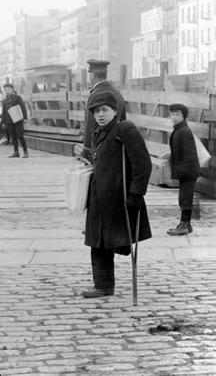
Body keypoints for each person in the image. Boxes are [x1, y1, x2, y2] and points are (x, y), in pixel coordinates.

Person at [82, 90, 152, 298]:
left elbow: (143, 164)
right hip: (99, 198)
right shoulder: (99, 132)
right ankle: (103, 285)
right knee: (97, 242)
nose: (100, 115)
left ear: (115, 111)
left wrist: (135, 194)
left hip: (118, 198)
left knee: (109, 240)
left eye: (104, 110)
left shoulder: (125, 129)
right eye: (96, 111)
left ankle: (104, 284)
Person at [80, 59, 127, 162]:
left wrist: (86, 151)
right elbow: (124, 124)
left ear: (92, 75)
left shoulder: (94, 96)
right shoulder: (118, 94)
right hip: (117, 149)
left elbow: (90, 126)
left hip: (100, 151)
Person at [167, 103, 200, 236]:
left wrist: (182, 172)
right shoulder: (179, 130)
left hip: (188, 171)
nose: (174, 117)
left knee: (185, 198)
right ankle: (186, 224)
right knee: (184, 197)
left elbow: (189, 154)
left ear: (184, 116)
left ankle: (184, 224)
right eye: (172, 114)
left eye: (177, 114)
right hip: (186, 170)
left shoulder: (184, 131)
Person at [1, 83, 29, 158]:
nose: (7, 91)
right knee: (13, 137)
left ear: (12, 89)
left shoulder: (17, 98)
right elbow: (3, 112)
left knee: (20, 136)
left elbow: (23, 107)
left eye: (8, 89)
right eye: (5, 89)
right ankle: (16, 152)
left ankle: (25, 152)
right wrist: (3, 122)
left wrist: (25, 118)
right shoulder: (4, 100)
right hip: (9, 121)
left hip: (17, 119)